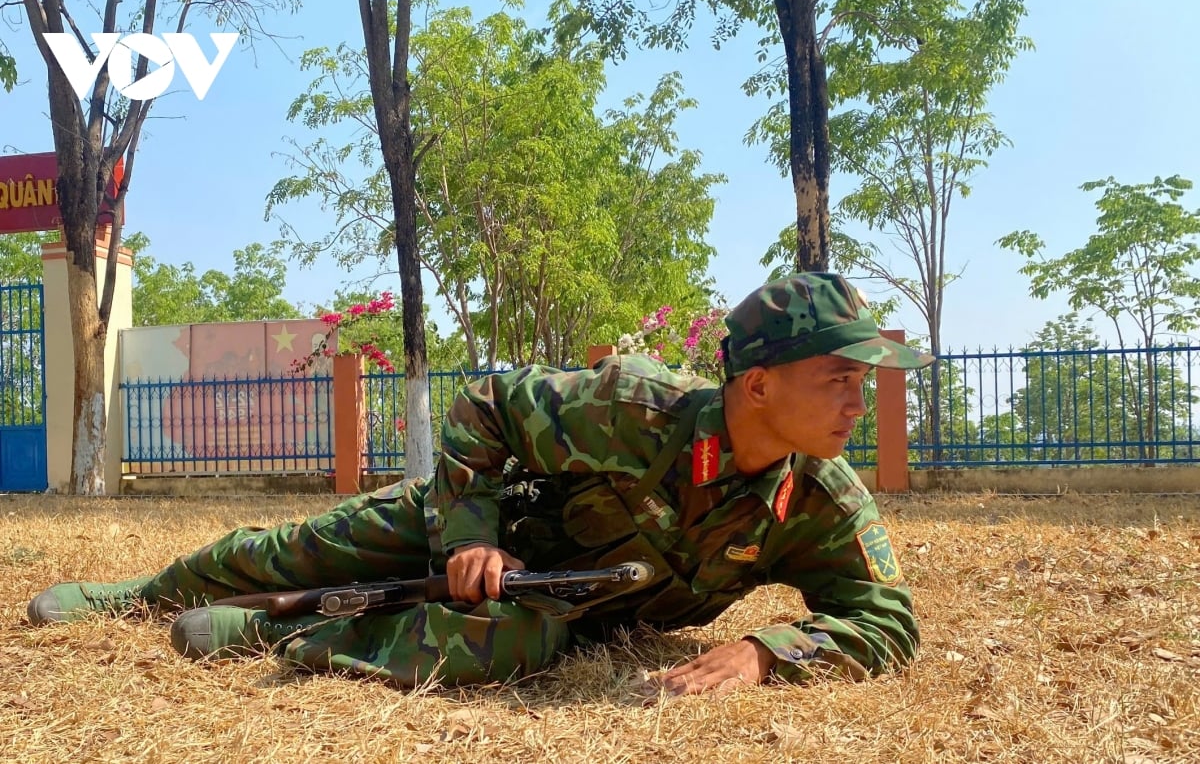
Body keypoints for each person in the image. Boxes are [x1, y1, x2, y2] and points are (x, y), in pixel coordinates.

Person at [27, 272, 933, 695]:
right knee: (292, 547)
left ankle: (272, 635)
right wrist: (467, 531)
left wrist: (767, 649)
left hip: (551, 608)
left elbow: (889, 616)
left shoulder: (819, 498)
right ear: (760, 382)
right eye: (840, 375)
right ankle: (134, 593)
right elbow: (486, 404)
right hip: (482, 522)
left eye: (865, 377)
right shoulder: (632, 407)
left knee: (501, 647)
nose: (862, 396)